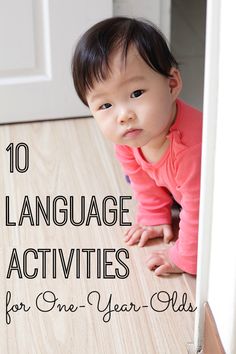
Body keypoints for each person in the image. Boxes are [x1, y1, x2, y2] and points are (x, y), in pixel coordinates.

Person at [72, 17, 202, 276]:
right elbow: (140, 177)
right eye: (105, 105)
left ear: (172, 84)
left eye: (136, 93)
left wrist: (184, 258)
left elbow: (201, 208)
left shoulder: (190, 148)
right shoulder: (132, 137)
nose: (124, 115)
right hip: (185, 194)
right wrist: (154, 214)